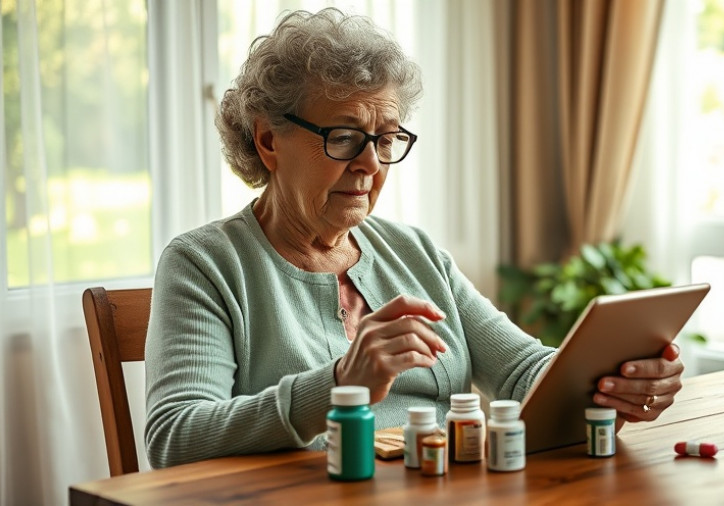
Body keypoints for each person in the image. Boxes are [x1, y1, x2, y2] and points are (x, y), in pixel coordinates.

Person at [144, 8, 684, 469]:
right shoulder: (205, 263)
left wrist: (612, 383)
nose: (370, 163)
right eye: (345, 137)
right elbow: (175, 437)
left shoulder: (415, 252)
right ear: (268, 139)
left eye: (386, 139)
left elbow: (522, 370)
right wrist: (338, 383)